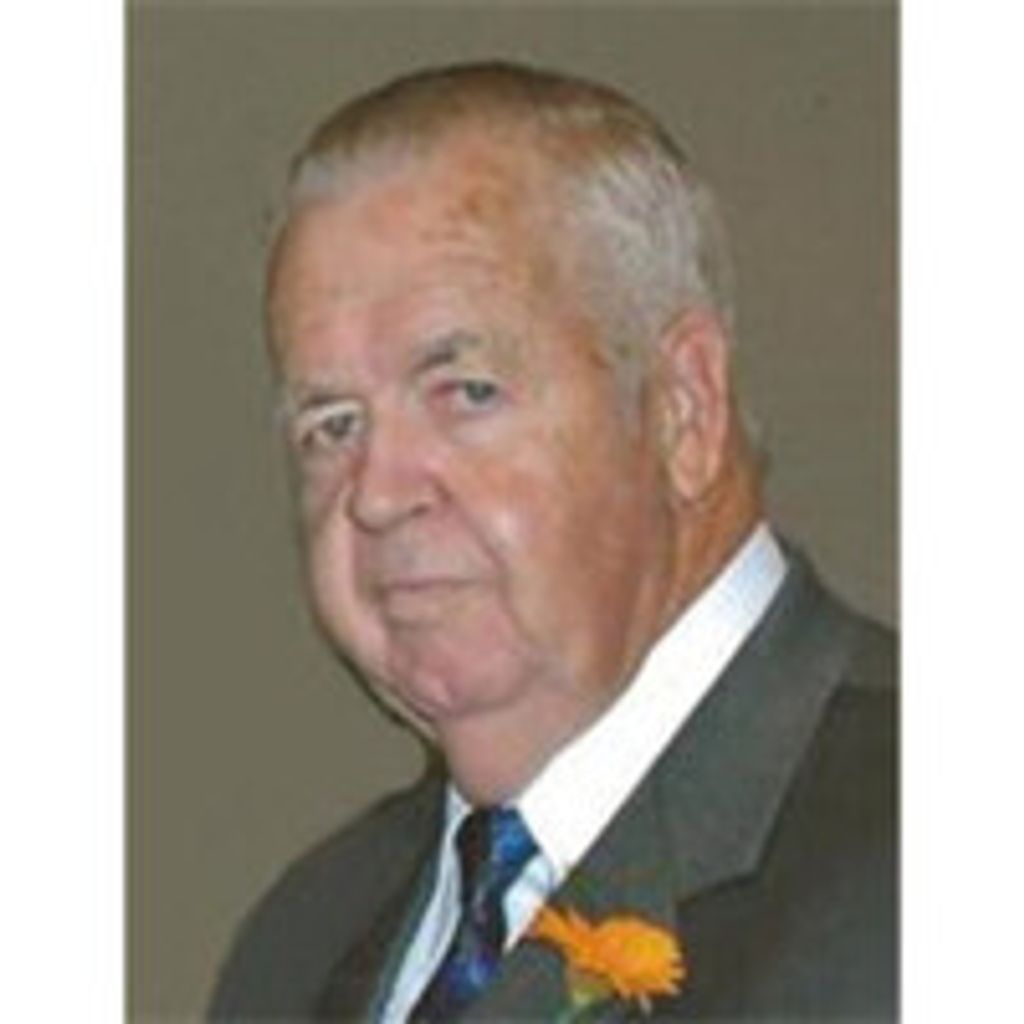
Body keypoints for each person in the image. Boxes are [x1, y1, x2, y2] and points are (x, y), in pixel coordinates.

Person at [210, 62, 896, 1022]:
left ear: (684, 410)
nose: (377, 493)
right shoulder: (301, 942)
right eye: (332, 425)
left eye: (466, 392)